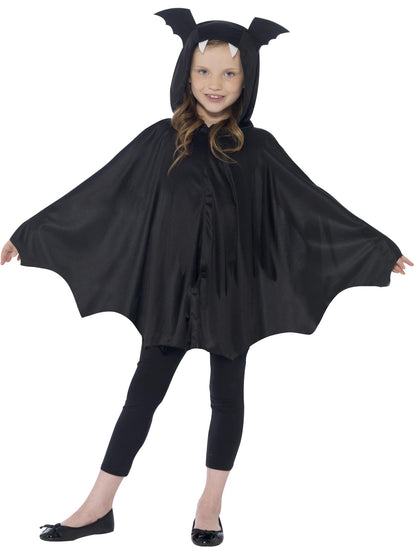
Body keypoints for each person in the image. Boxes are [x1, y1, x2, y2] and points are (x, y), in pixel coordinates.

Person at [1, 8, 413, 547]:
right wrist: (31, 234)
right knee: (142, 396)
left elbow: (310, 206)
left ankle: (209, 506)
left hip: (232, 292)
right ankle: (98, 506)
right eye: (203, 71)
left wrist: (375, 248)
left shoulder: (259, 149)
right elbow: (102, 191)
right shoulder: (160, 140)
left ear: (247, 80)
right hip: (169, 291)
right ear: (185, 74)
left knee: (227, 397)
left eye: (228, 73)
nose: (214, 84)